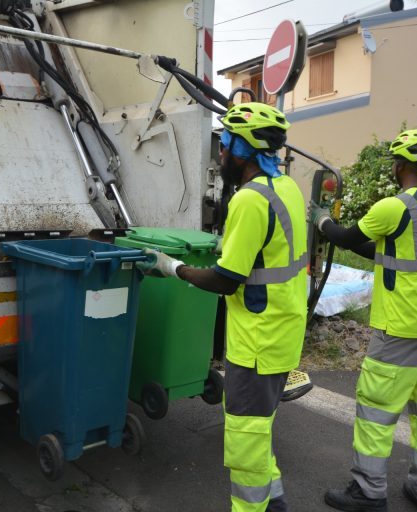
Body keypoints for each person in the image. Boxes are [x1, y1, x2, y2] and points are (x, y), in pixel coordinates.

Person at [140, 102, 308, 512]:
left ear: (244, 151)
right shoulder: (285, 188)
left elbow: (224, 279)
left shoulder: (250, 201)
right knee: (259, 432)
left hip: (257, 343)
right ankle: (276, 505)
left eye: (227, 145)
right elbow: (267, 253)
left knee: (245, 446)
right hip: (282, 333)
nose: (221, 154)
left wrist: (174, 267)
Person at [309, 129, 417, 512]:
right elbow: (387, 250)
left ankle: (368, 491)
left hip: (402, 327)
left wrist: (322, 220)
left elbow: (345, 237)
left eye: (396, 161)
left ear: (403, 165)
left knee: (376, 409)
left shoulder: (393, 207)